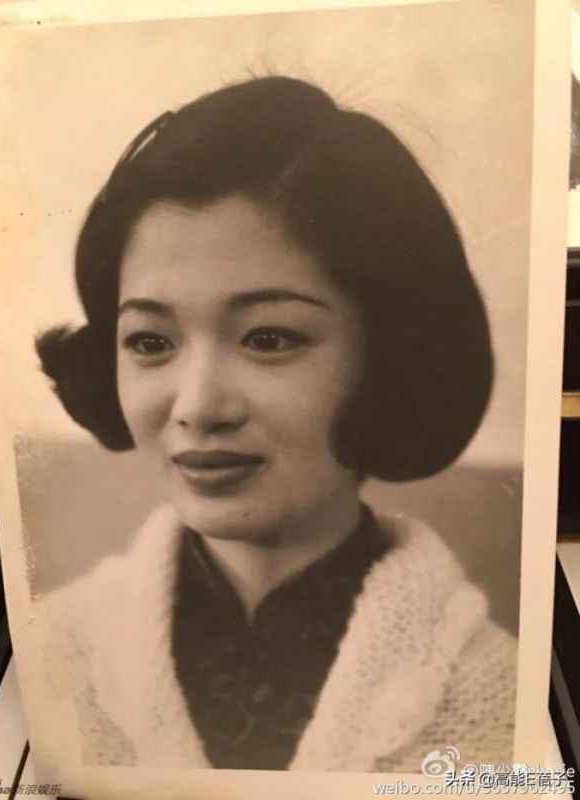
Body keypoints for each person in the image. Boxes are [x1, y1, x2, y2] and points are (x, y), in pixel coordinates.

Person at [34, 76, 516, 772]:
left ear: (388, 353)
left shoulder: (497, 692)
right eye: (150, 341)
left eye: (268, 338)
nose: (197, 406)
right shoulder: (51, 653)